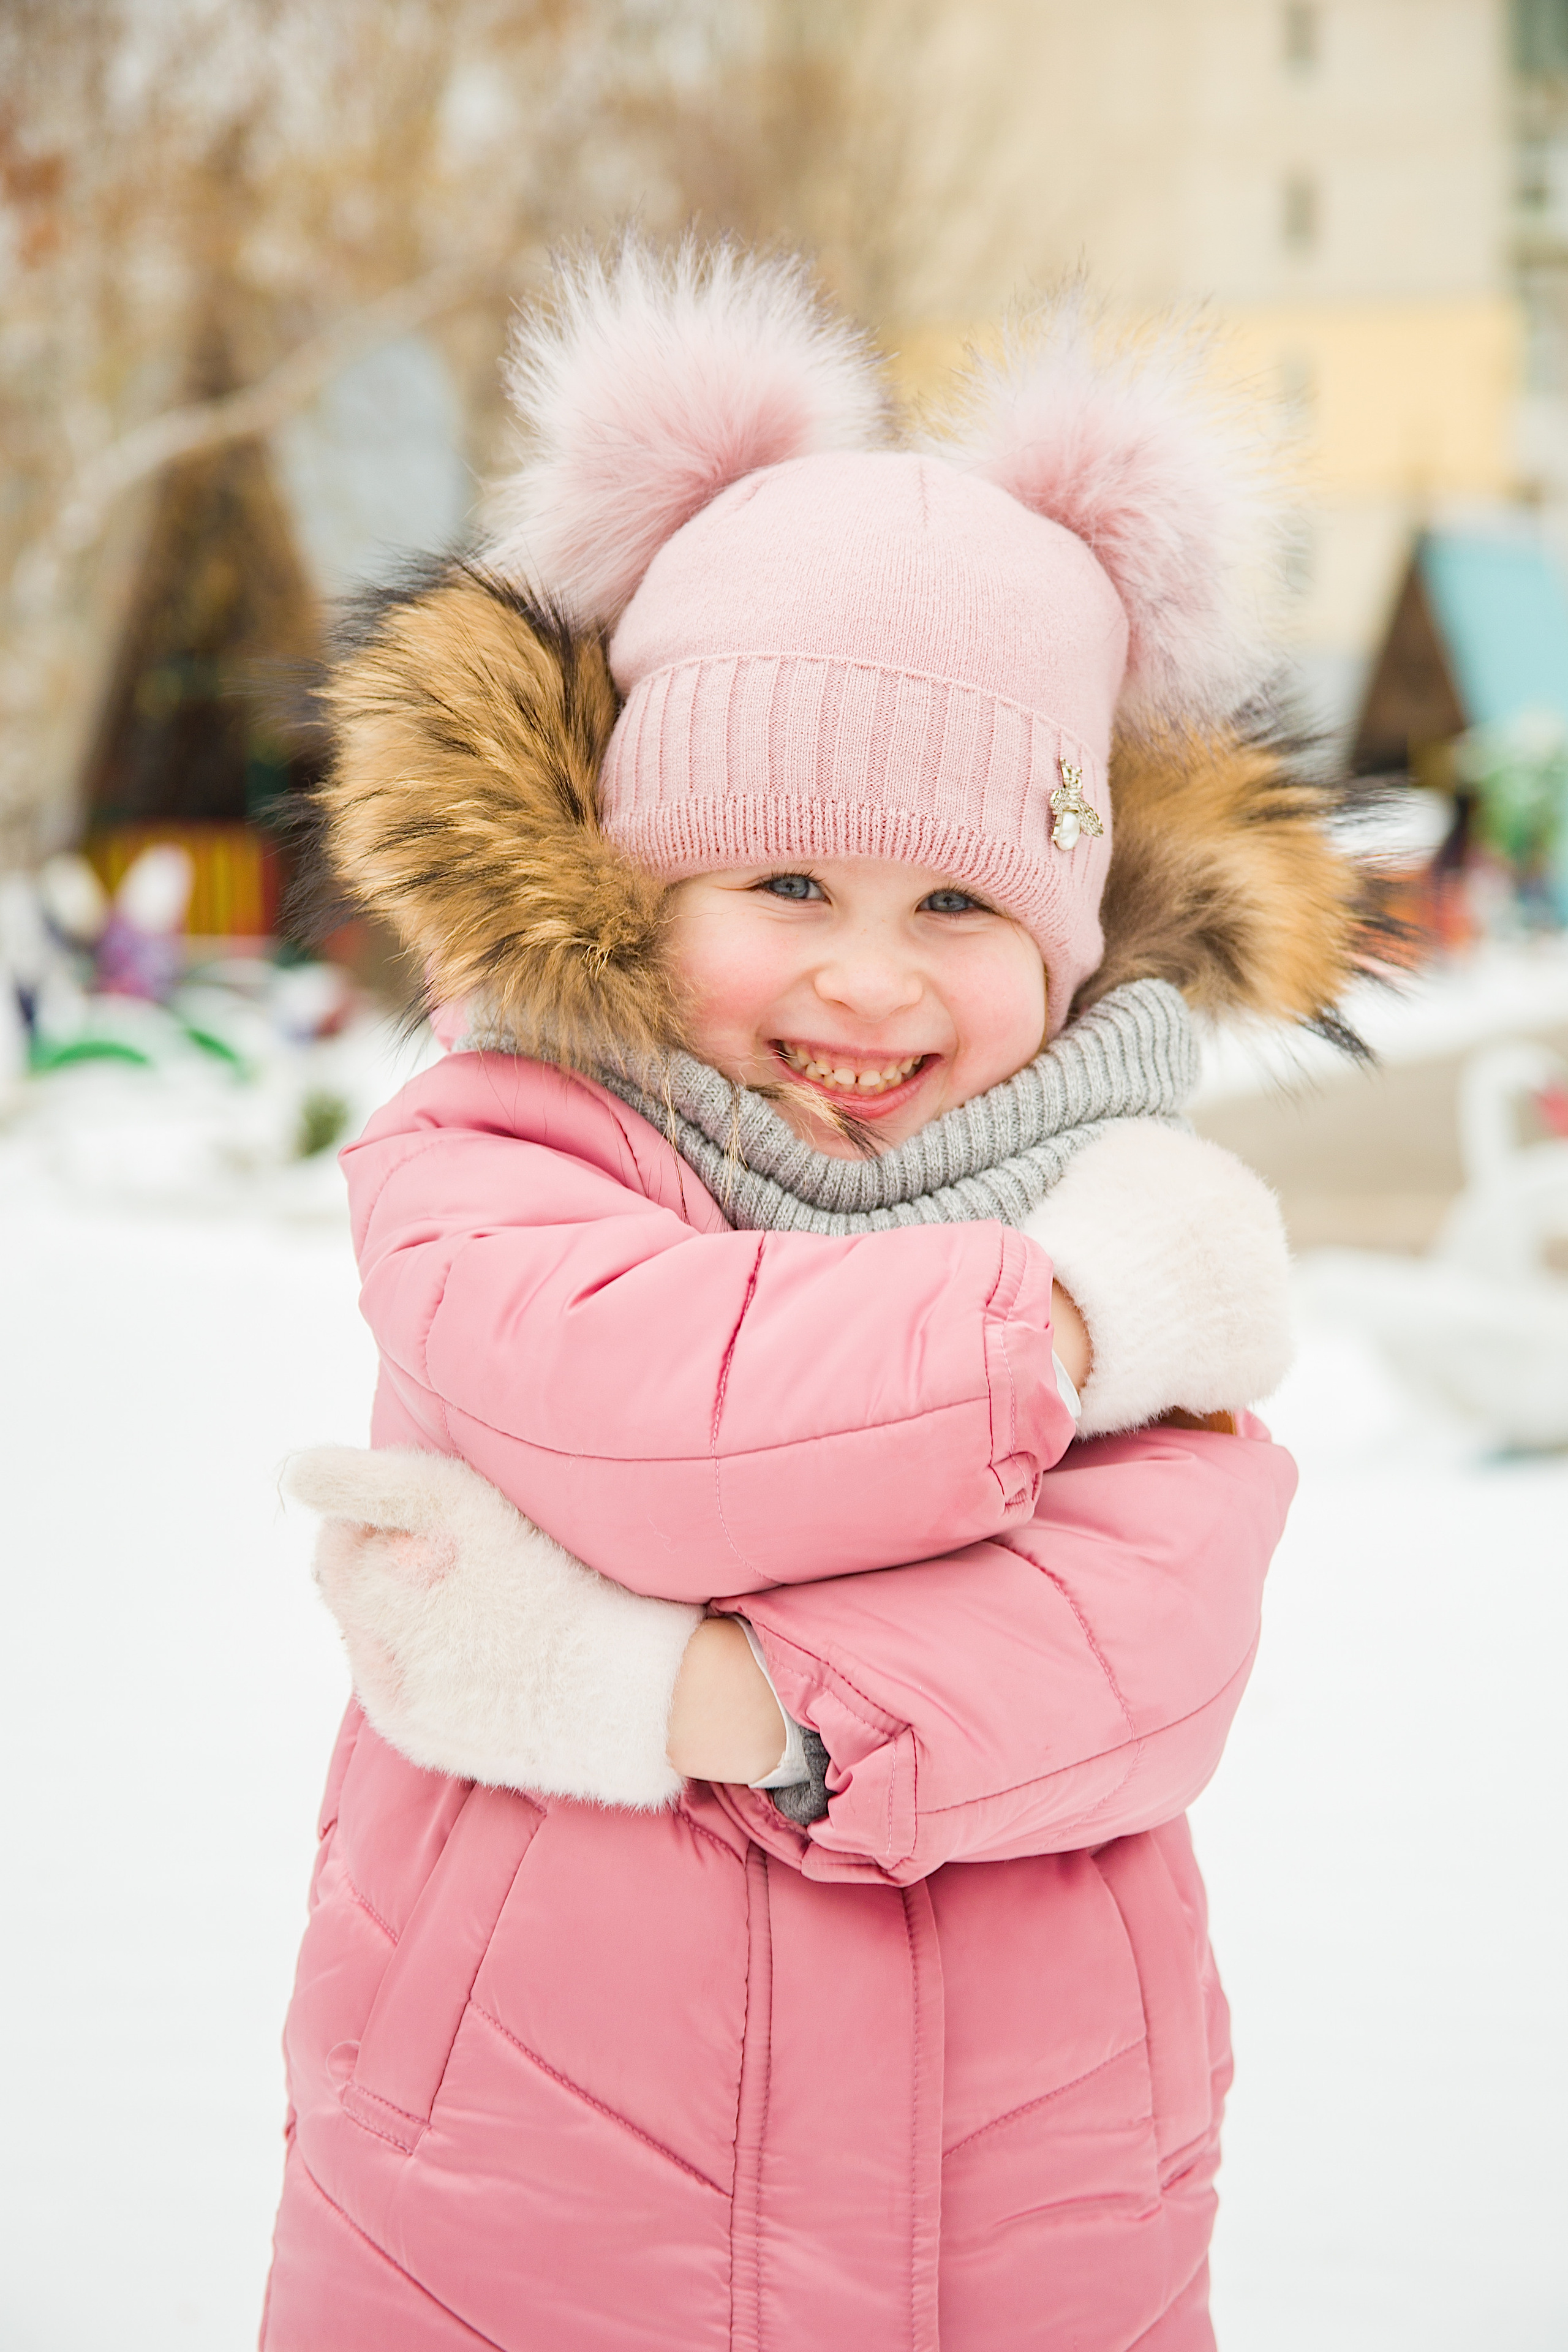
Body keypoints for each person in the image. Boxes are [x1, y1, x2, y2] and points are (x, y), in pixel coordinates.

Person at [260, 239, 1377, 2351]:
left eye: (957, 901)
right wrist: (1061, 1332)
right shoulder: (505, 1151)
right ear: (641, 877)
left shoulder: (1123, 1189)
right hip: (521, 2202)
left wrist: (693, 1699)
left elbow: (1145, 1648)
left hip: (1031, 2217)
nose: (869, 980)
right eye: (787, 884)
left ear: (1062, 944)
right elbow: (651, 1422)